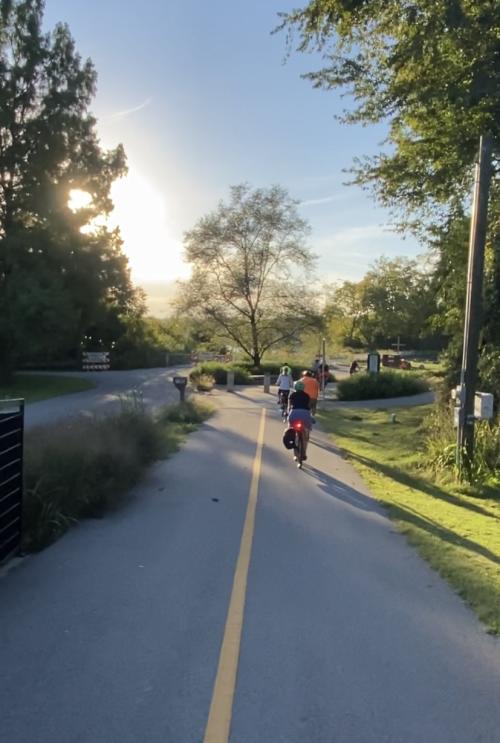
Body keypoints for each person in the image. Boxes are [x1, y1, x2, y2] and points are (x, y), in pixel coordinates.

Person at [288, 380, 314, 460]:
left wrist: (287, 413)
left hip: (294, 414)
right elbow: (309, 407)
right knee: (306, 435)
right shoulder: (307, 395)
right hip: (305, 414)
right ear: (303, 388)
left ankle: (296, 455)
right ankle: (304, 453)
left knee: (291, 429)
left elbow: (289, 407)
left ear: (295, 387)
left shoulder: (292, 395)